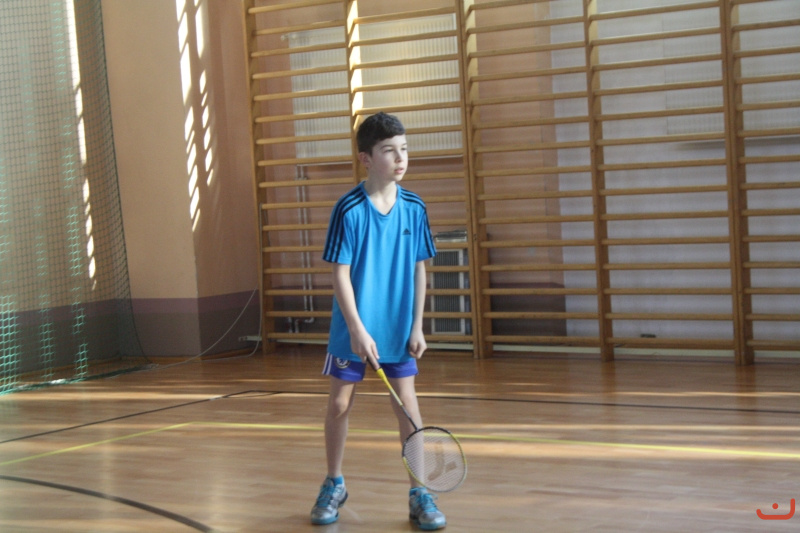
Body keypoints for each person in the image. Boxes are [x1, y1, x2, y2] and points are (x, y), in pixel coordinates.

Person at [310, 112, 446, 530]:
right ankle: (334, 482)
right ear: (366, 159)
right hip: (353, 330)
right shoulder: (349, 209)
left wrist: (417, 325)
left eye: (404, 149)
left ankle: (419, 491)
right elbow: (340, 274)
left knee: (407, 407)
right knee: (339, 404)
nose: (400, 158)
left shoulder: (414, 207)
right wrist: (356, 329)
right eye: (389, 150)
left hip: (398, 328)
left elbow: (420, 268)